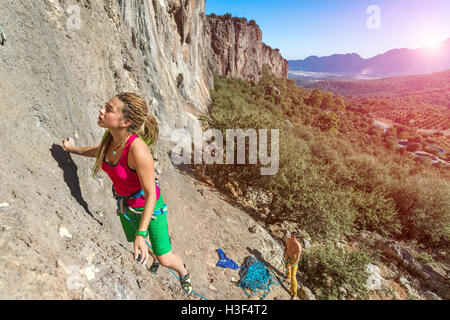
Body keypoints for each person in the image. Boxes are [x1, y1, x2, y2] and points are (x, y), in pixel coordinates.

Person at [62, 92, 192, 296]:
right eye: (104, 106)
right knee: (142, 248)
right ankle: (152, 256)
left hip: (151, 207)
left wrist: (142, 232)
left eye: (109, 109)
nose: (101, 111)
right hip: (126, 207)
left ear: (125, 122)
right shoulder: (110, 140)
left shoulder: (138, 151)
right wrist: (72, 149)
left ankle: (184, 272)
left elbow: (150, 194)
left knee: (164, 257)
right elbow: (98, 151)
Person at [283, 231, 302, 300]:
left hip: (294, 261)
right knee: (286, 267)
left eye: (293, 237)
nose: (291, 238)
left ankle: (294, 294)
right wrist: (284, 252)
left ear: (297, 238)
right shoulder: (288, 239)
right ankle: (288, 277)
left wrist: (291, 266)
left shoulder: (298, 247)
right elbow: (286, 245)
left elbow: (297, 260)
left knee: (293, 277)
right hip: (288, 256)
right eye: (291, 236)